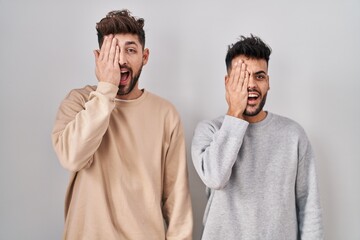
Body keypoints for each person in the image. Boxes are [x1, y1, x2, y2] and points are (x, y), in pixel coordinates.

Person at [52, 9, 193, 240]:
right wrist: (106, 88)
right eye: (112, 51)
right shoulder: (77, 101)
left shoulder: (166, 114)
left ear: (144, 57)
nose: (121, 60)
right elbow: (72, 157)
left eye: (130, 50)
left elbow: (177, 202)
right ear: (98, 57)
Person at [191, 35, 323, 239]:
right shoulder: (209, 130)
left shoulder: (293, 135)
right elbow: (215, 178)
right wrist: (235, 112)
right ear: (228, 83)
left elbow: (309, 206)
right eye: (241, 77)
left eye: (259, 76)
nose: (251, 85)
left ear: (268, 82)